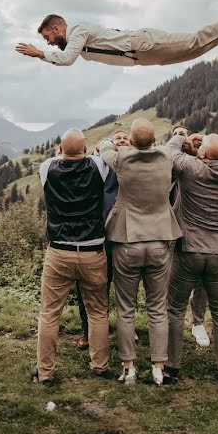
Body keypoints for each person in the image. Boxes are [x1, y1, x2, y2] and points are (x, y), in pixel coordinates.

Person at [98, 118, 181, 385]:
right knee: (158, 307)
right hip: (159, 240)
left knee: (126, 308)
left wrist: (112, 142)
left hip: (127, 240)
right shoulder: (167, 156)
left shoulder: (121, 158)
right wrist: (179, 135)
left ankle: (129, 369)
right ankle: (158, 369)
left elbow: (103, 148)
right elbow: (177, 140)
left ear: (131, 143)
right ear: (155, 141)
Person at [32, 129, 115, 385]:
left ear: (59, 148)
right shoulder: (99, 167)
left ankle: (45, 372)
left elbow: (58, 158)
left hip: (59, 251)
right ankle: (100, 365)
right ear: (86, 148)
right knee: (98, 311)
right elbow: (106, 149)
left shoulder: (48, 168)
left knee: (49, 313)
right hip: (93, 251)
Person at [164, 132, 218, 387]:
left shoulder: (192, 168)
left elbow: (169, 152)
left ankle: (171, 368)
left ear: (204, 154)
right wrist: (213, 148)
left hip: (190, 250)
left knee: (174, 309)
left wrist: (180, 136)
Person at [15, 3, 218, 67]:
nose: (47, 42)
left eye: (47, 37)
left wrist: (40, 54)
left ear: (57, 28)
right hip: (143, 56)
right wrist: (44, 54)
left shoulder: (77, 30)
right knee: (198, 50)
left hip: (142, 44)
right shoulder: (74, 39)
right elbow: (64, 53)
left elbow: (68, 58)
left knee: (195, 40)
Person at [75, 129, 129, 349]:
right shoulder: (96, 166)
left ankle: (126, 330)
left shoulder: (134, 165)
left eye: (126, 137)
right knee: (92, 286)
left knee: (126, 287)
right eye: (118, 138)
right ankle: (87, 330)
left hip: (126, 237)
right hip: (99, 235)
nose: (122, 140)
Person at [167, 126, 212, 348]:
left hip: (201, 232)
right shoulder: (171, 163)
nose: (183, 137)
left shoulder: (203, 167)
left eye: (186, 134)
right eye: (178, 134)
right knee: (171, 279)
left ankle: (197, 322)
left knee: (201, 281)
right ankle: (169, 323)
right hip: (172, 228)